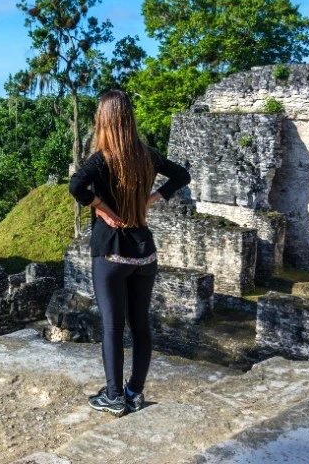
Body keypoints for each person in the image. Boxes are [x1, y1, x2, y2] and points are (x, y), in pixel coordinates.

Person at [69, 90, 190, 417]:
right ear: (129, 119)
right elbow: (182, 175)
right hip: (144, 254)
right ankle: (134, 392)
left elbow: (75, 186)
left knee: (112, 327)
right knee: (140, 326)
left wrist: (101, 207)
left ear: (103, 120)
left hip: (111, 253)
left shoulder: (101, 159)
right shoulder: (146, 155)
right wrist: (151, 199)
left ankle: (113, 396)